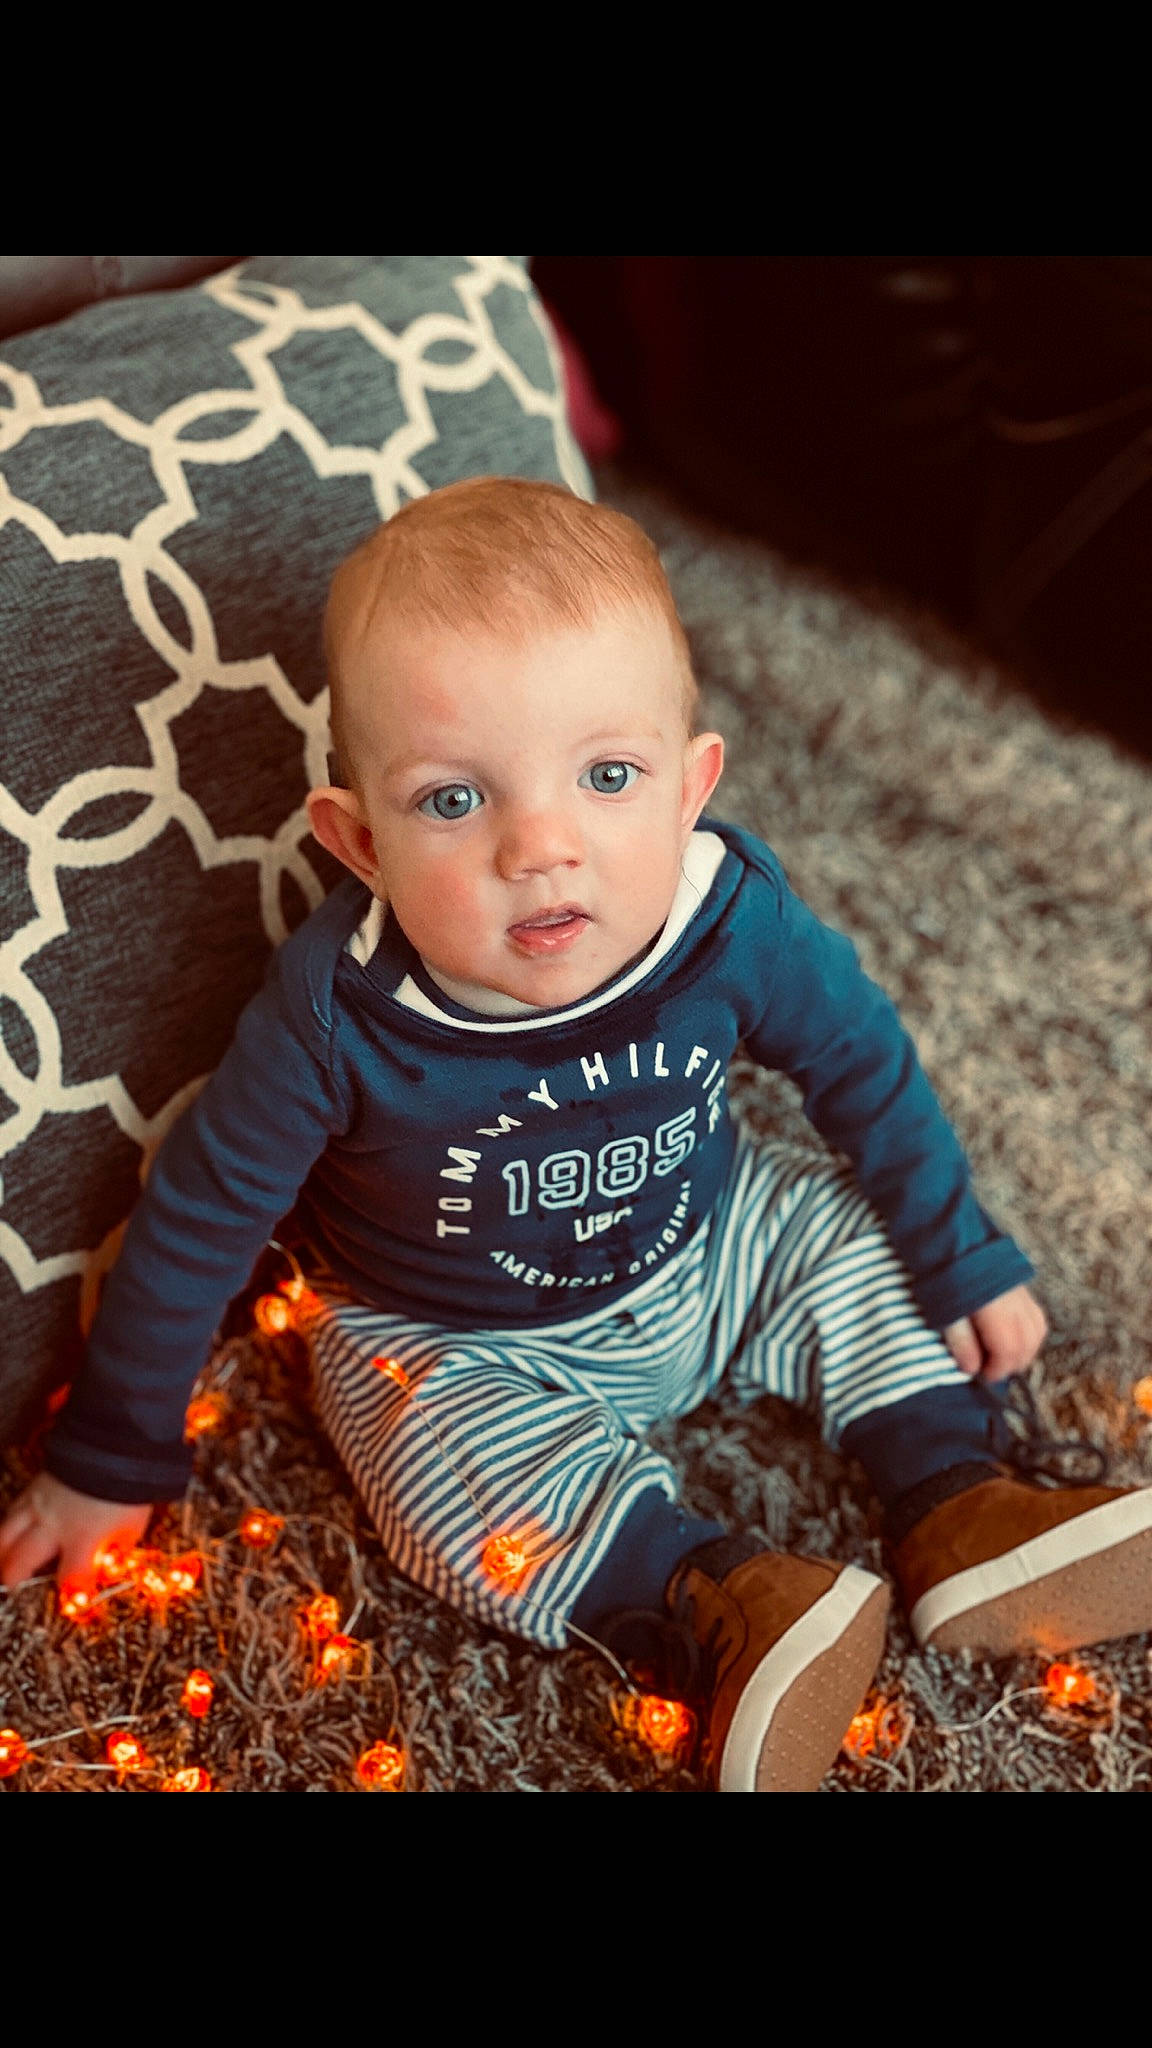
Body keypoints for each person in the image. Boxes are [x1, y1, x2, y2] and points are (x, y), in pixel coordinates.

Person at [3, 476, 1151, 1794]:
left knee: (836, 1231)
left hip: (710, 1243)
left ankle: (958, 1500)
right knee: (424, 1460)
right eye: (453, 803)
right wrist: (107, 1454)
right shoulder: (339, 1016)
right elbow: (202, 1217)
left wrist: (961, 1253)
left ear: (688, 790)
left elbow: (859, 1062)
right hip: (459, 1340)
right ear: (358, 841)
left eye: (607, 777)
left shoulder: (730, 920)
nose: (541, 846)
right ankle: (719, 1597)